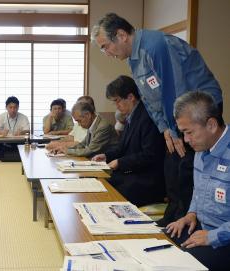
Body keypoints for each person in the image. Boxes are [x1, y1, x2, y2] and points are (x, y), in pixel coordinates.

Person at [91, 13, 223, 226]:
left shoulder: (155, 45)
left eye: (105, 46)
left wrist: (176, 129)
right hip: (174, 118)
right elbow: (151, 99)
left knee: (186, 168)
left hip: (199, 110)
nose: (106, 53)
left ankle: (188, 223)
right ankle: (173, 217)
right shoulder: (134, 60)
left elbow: (174, 89)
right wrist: (165, 128)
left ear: (122, 35)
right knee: (171, 168)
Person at [165, 91, 229, 271]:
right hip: (203, 228)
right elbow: (199, 190)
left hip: (223, 237)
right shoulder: (201, 150)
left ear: (211, 124)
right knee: (156, 242)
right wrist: (191, 214)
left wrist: (213, 236)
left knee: (179, 265)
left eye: (189, 132)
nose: (186, 140)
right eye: (183, 133)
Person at [91, 76, 165, 206]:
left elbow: (150, 155)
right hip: (132, 173)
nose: (116, 106)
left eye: (117, 101)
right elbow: (122, 147)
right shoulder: (132, 116)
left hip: (147, 179)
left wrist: (119, 162)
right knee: (97, 180)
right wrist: (106, 156)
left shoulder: (147, 116)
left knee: (108, 191)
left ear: (131, 97)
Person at [51, 102, 118, 157]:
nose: (79, 124)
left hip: (109, 162)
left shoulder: (102, 126)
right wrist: (64, 148)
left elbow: (89, 151)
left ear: (88, 115)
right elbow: (82, 144)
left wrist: (67, 151)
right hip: (97, 159)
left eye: (79, 121)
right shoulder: (93, 123)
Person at [0, 96, 30, 160]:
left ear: (18, 107)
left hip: (18, 142)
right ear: (6, 107)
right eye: (10, 107)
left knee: (27, 146)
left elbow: (28, 131)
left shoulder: (24, 117)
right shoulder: (0, 117)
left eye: (15, 107)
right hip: (5, 142)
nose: (13, 110)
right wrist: (1, 132)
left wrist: (22, 132)